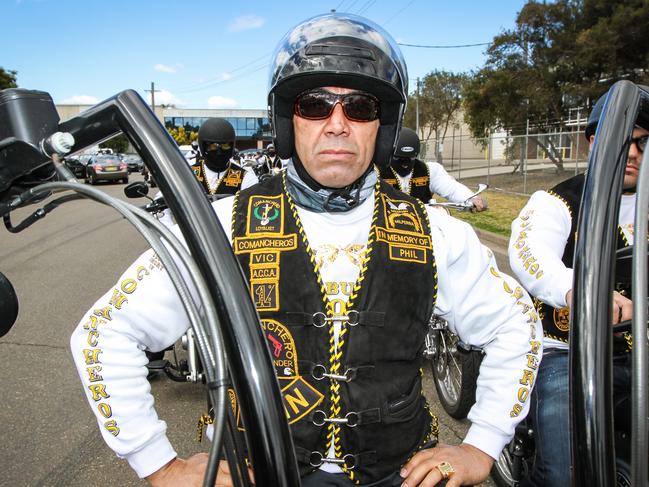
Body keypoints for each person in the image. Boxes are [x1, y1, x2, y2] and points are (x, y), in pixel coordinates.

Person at [71, 13, 541, 487]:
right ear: (287, 120)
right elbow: (103, 333)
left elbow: (516, 325)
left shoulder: (437, 233)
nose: (337, 125)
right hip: (260, 470)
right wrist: (159, 464)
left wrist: (482, 444)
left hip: (398, 474)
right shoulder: (219, 226)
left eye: (359, 107)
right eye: (315, 105)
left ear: (381, 125)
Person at [508, 87, 649, 486]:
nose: (634, 152)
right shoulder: (556, 202)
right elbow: (529, 255)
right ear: (594, 141)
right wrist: (585, 290)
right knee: (562, 475)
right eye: (625, 141)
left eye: (643, 141)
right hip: (568, 355)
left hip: (636, 353)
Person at [379, 127, 487, 211]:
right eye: (399, 158)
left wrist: (472, 199)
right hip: (385, 229)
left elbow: (451, 188)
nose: (405, 164)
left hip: (423, 226)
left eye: (410, 158)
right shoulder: (375, 172)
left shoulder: (429, 171)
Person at [190, 117, 258, 195]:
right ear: (203, 147)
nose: (219, 152)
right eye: (213, 146)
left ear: (232, 146)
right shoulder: (188, 174)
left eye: (225, 146)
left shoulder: (246, 178)